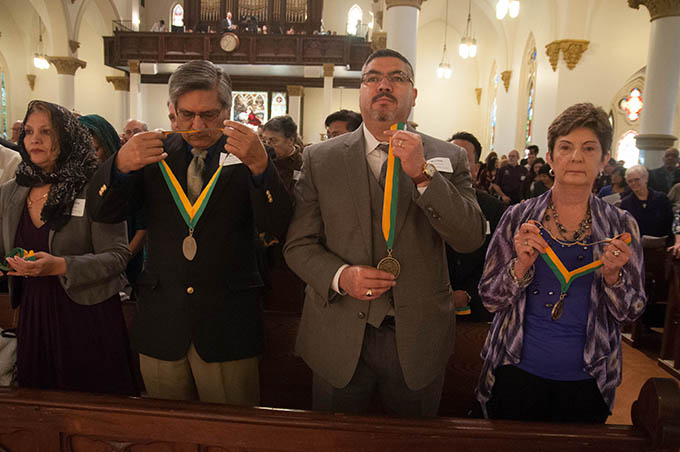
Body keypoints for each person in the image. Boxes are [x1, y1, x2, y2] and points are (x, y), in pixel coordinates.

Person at [284, 49, 485, 417]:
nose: (384, 85)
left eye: (397, 78)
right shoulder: (320, 158)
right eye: (373, 77)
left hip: (417, 335)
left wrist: (423, 175)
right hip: (339, 330)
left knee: (412, 443)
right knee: (335, 442)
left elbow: (470, 238)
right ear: (360, 92)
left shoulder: (448, 157)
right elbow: (298, 245)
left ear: (413, 94)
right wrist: (340, 276)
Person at [86, 60, 293, 405]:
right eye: (187, 115)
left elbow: (280, 227)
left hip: (227, 324)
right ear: (171, 111)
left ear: (228, 109)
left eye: (209, 115)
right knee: (167, 434)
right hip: (162, 322)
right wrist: (119, 165)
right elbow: (102, 211)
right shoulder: (154, 154)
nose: (197, 125)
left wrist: (260, 167)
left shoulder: (250, 155)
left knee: (232, 434)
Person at [476, 102, 646, 423]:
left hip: (588, 377)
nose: (577, 157)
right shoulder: (518, 218)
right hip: (516, 369)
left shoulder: (622, 226)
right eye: (565, 147)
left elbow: (630, 312)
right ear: (551, 158)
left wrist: (613, 278)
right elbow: (489, 298)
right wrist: (520, 267)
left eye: (589, 148)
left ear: (605, 160)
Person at [3, 100, 136, 395]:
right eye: (28, 131)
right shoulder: (11, 191)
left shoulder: (94, 186)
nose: (34, 139)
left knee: (92, 406)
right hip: (35, 310)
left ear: (66, 136)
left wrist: (60, 265)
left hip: (87, 312)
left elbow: (118, 256)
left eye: (46, 132)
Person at [78, 114, 147, 291]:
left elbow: (142, 229)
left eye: (95, 150)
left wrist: (119, 261)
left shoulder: (128, 177)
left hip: (123, 270)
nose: (88, 157)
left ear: (108, 146)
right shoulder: (73, 182)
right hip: (82, 272)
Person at [448, 131, 506, 321]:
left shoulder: (494, 208)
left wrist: (468, 293)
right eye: (450, 157)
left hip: (477, 307)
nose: (455, 164)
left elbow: (498, 258)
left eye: (463, 158)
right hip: (431, 304)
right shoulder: (423, 203)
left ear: (476, 168)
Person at [620, 165, 673, 241]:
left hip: (662, 246)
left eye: (637, 179)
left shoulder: (662, 199)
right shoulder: (625, 203)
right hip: (637, 246)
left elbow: (670, 223)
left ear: (646, 179)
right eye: (630, 181)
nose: (633, 183)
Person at [261, 115, 302, 194]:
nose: (267, 145)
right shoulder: (263, 162)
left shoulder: (303, 165)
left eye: (273, 140)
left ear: (290, 140)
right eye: (264, 140)